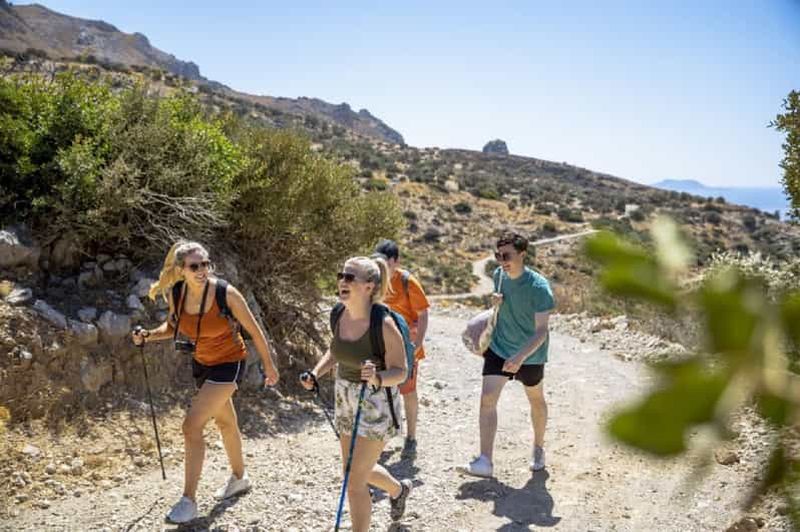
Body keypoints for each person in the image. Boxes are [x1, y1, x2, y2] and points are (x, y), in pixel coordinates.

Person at [131, 241, 279, 524]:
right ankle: (239, 477)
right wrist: (148, 335)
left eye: (206, 264)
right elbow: (174, 328)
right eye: (195, 266)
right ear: (182, 270)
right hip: (202, 364)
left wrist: (270, 367)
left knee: (191, 425)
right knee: (226, 422)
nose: (202, 270)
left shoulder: (226, 294)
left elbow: (255, 331)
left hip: (230, 362)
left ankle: (189, 501)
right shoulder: (177, 293)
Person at [300, 256, 412, 531]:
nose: (342, 281)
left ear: (369, 286)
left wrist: (376, 377)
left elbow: (401, 371)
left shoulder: (383, 325)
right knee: (353, 471)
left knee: (354, 481)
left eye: (350, 277)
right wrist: (316, 373)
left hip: (377, 405)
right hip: (345, 400)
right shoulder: (339, 313)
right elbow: (335, 350)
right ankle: (398, 490)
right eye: (342, 275)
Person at [460, 233, 555, 478]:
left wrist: (521, 356)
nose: (502, 260)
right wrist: (496, 303)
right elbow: (501, 309)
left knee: (536, 400)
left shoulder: (539, 287)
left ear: (522, 254)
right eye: (498, 255)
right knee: (487, 399)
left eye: (507, 255)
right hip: (500, 347)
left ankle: (538, 447)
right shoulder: (499, 276)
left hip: (530, 354)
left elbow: (542, 331)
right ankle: (485, 461)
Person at [373, 239, 429, 459]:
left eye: (385, 261)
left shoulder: (407, 281)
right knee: (381, 389)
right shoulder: (375, 280)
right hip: (381, 344)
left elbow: (423, 314)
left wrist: (417, 344)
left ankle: (411, 438)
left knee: (407, 391)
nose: (381, 265)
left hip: (407, 346)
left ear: (395, 261)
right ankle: (381, 437)